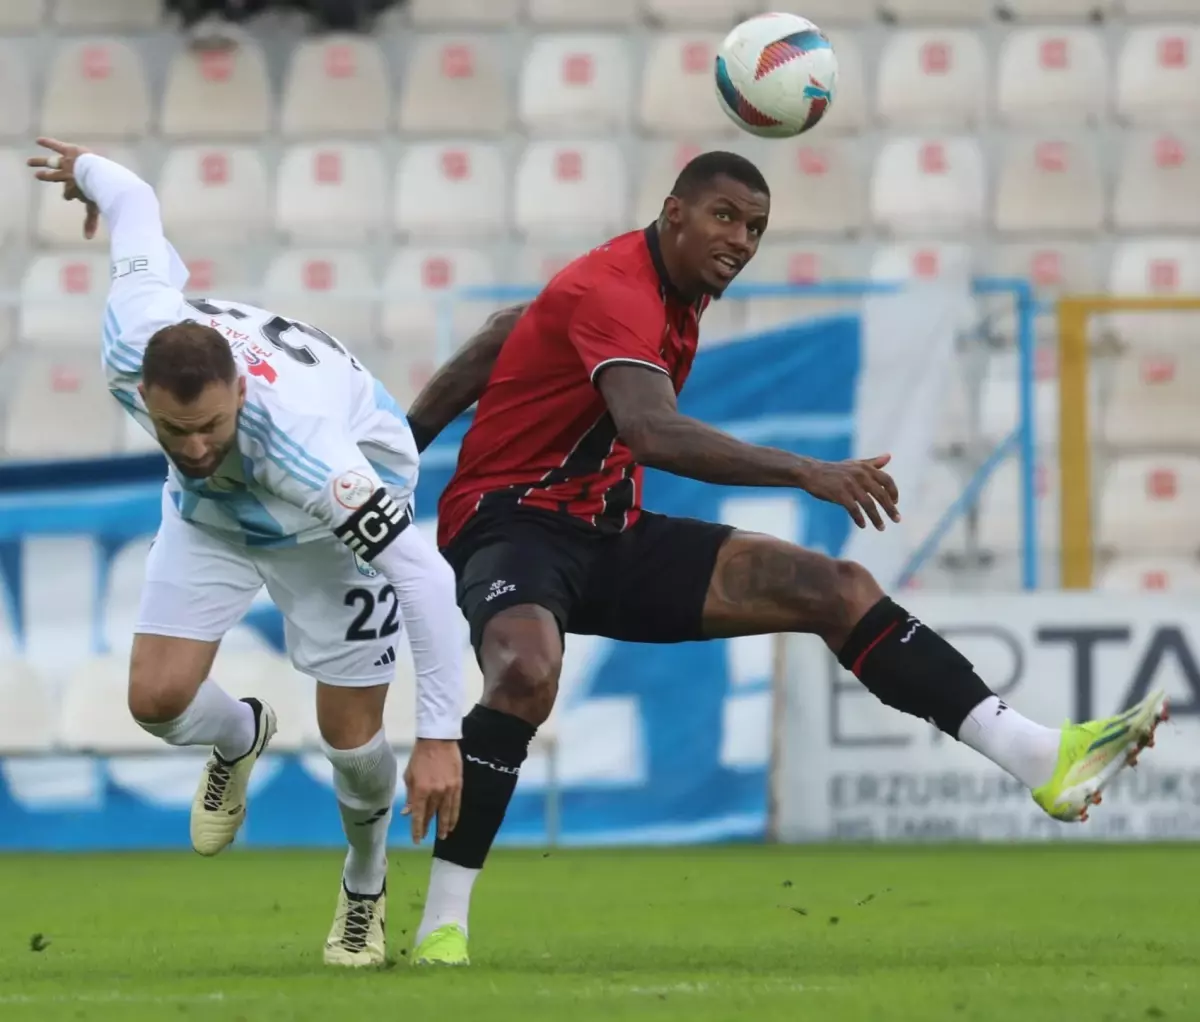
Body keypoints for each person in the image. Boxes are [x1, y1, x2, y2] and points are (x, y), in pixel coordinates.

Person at [402, 151, 1169, 966]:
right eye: (724, 217)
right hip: (508, 522)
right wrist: (805, 469)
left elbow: (502, 334)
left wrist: (399, 446)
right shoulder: (616, 288)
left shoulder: (663, 292)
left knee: (833, 586)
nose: (741, 240)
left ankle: (1037, 757)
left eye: (757, 228)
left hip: (606, 530)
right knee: (525, 671)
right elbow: (651, 432)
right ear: (673, 214)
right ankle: (441, 926)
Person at [26, 138, 465, 968]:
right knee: (154, 700)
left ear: (237, 393)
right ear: (143, 391)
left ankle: (364, 885)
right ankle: (238, 737)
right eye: (174, 429)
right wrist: (85, 171)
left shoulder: (309, 453)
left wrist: (439, 736)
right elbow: (135, 204)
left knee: (351, 744)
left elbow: (424, 573)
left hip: (327, 536)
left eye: (210, 427)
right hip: (217, 517)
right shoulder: (133, 337)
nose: (192, 444)